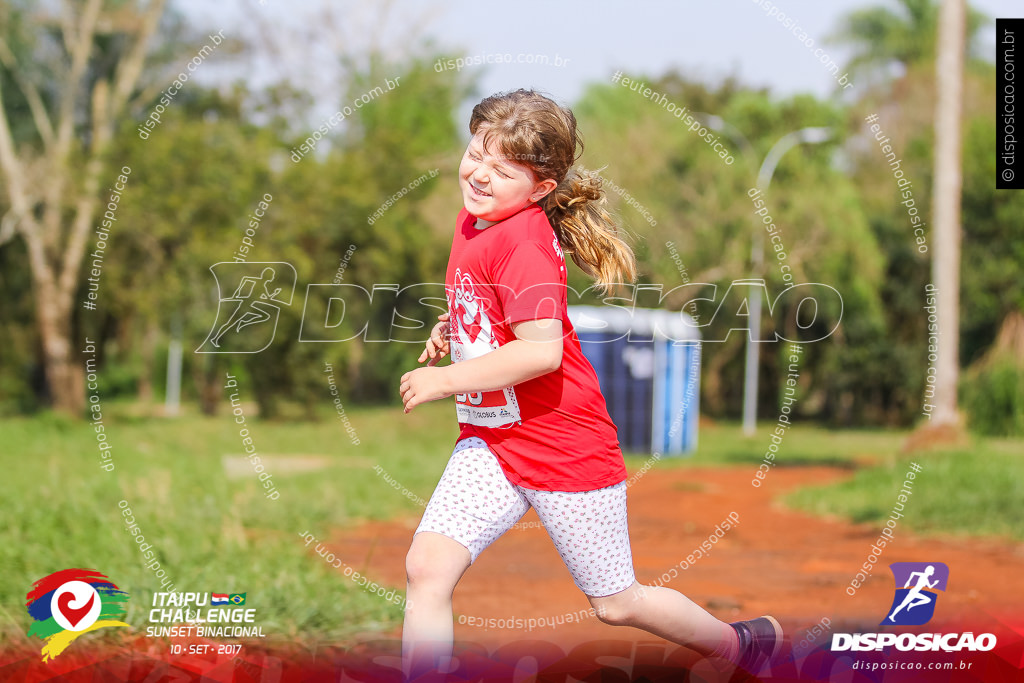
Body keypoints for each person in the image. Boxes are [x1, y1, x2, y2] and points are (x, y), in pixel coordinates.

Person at [398, 89, 782, 678]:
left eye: (503, 171)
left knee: (616, 602)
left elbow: (541, 351)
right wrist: (454, 328)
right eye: (477, 152)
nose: (479, 174)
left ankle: (738, 647)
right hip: (492, 442)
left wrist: (445, 378)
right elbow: (492, 309)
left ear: (541, 188)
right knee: (427, 568)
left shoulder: (523, 241)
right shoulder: (474, 222)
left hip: (563, 445)